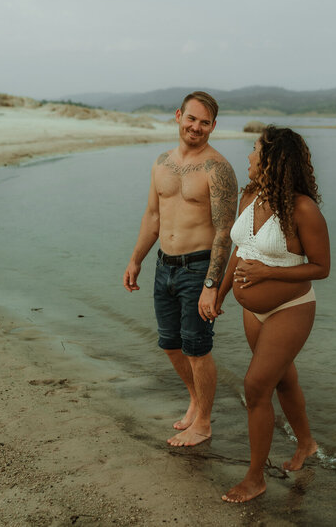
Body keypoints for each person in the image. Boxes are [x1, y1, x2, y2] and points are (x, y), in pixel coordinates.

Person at [216, 126, 330, 502]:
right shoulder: (250, 195)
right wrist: (217, 294)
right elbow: (239, 250)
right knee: (282, 380)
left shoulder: (303, 209)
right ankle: (307, 443)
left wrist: (268, 273)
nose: (248, 156)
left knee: (255, 387)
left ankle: (255, 478)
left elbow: (321, 267)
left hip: (290, 309)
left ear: (272, 160)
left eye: (254, 150)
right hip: (252, 312)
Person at [123, 91, 237, 447]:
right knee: (171, 344)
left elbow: (224, 233)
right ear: (178, 116)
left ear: (214, 126)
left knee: (197, 349)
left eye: (205, 122)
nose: (196, 127)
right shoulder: (161, 163)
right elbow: (153, 216)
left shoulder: (218, 169)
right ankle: (195, 400)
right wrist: (136, 259)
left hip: (198, 268)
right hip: (163, 266)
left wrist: (211, 285)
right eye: (192, 119)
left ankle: (203, 422)